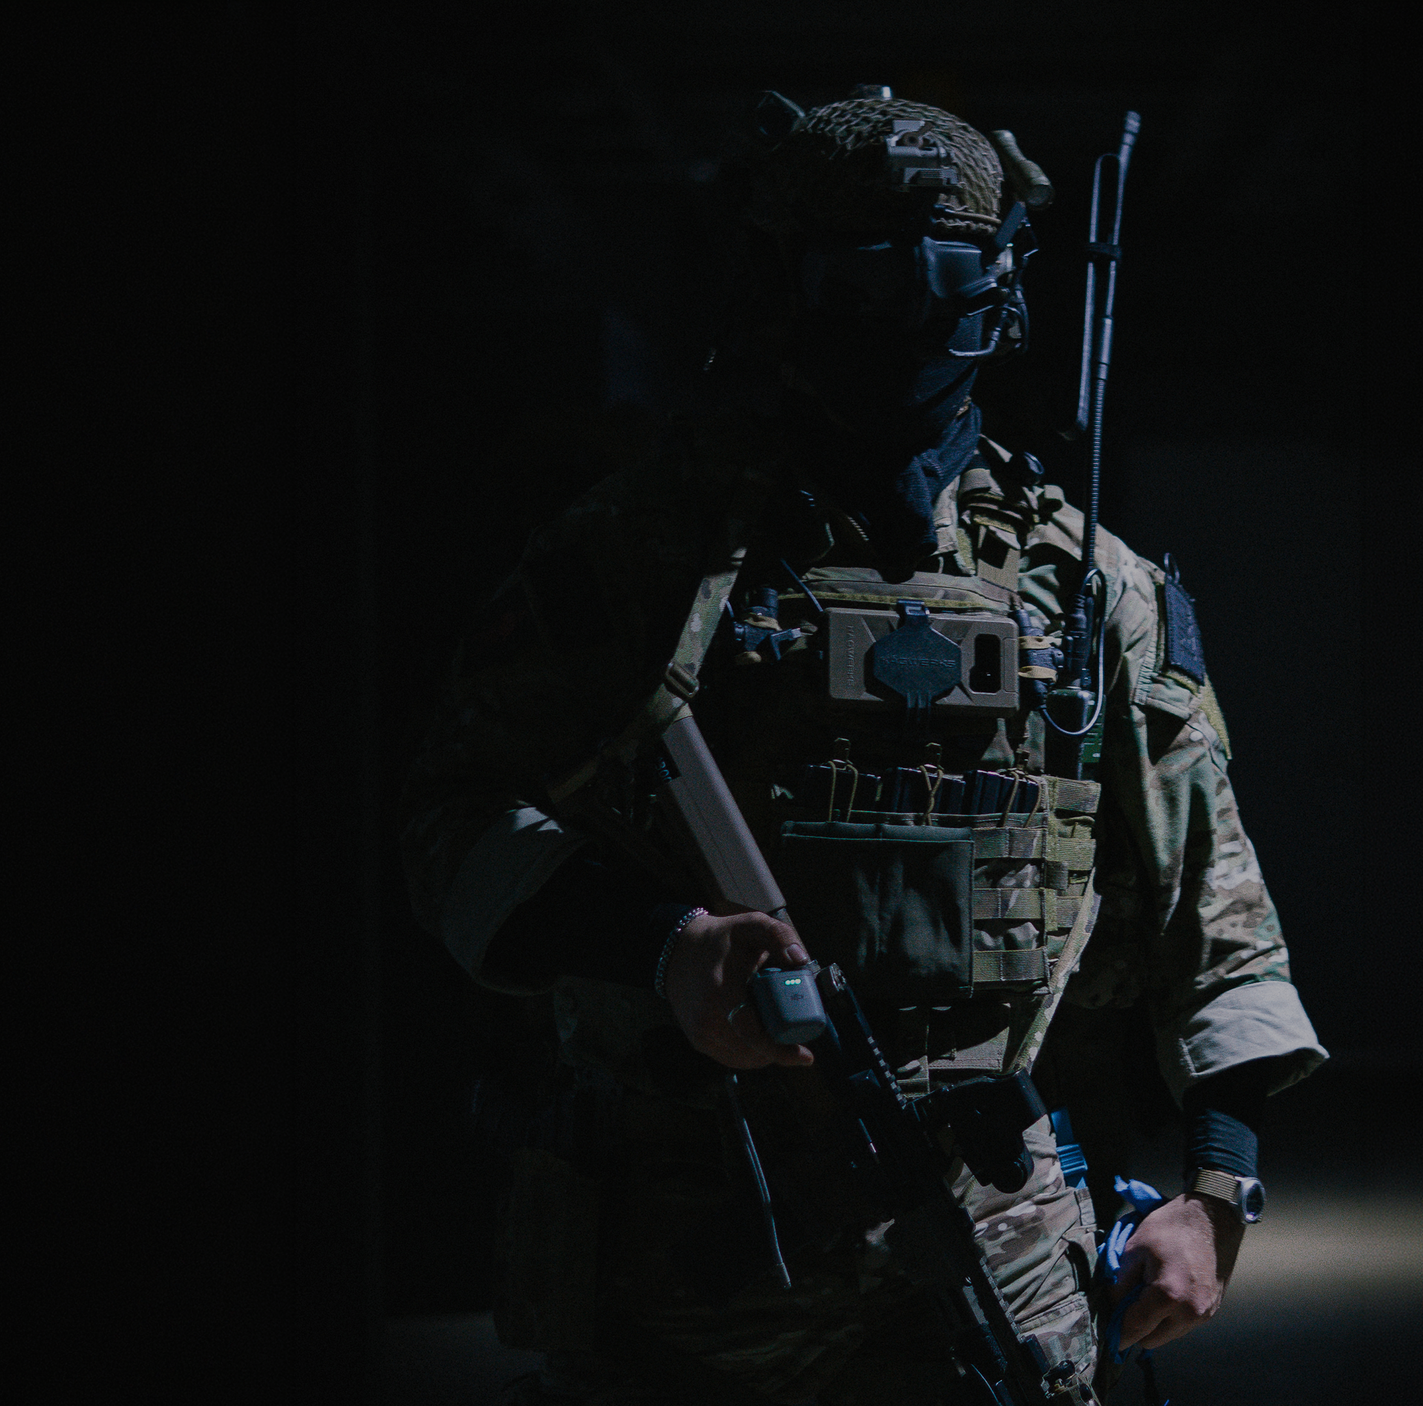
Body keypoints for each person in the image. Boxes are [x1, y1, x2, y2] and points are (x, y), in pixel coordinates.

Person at [405, 87, 1327, 1406]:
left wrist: (1217, 1193)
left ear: (998, 290)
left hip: (991, 1250)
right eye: (864, 279)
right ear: (786, 283)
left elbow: (1216, 917)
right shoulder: (633, 564)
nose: (904, 318)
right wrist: (663, 947)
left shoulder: (1085, 589)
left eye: (942, 276)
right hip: (690, 1264)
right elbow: (452, 828)